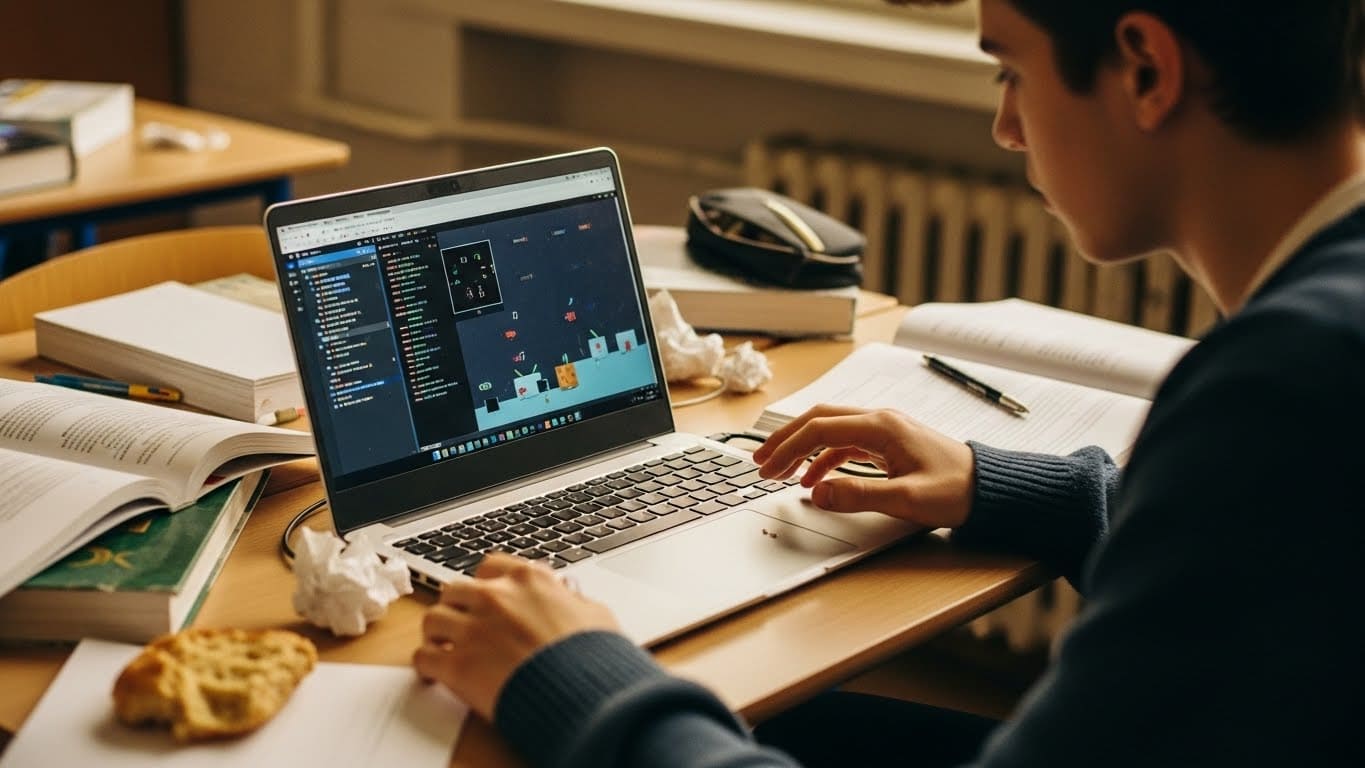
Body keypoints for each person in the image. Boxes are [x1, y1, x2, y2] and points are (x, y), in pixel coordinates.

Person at [413, 1, 1365, 765]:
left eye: (1010, 71)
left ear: (1146, 70)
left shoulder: (1282, 388)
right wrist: (1005, 486)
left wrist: (572, 676)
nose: (1004, 127)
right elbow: (1273, 548)